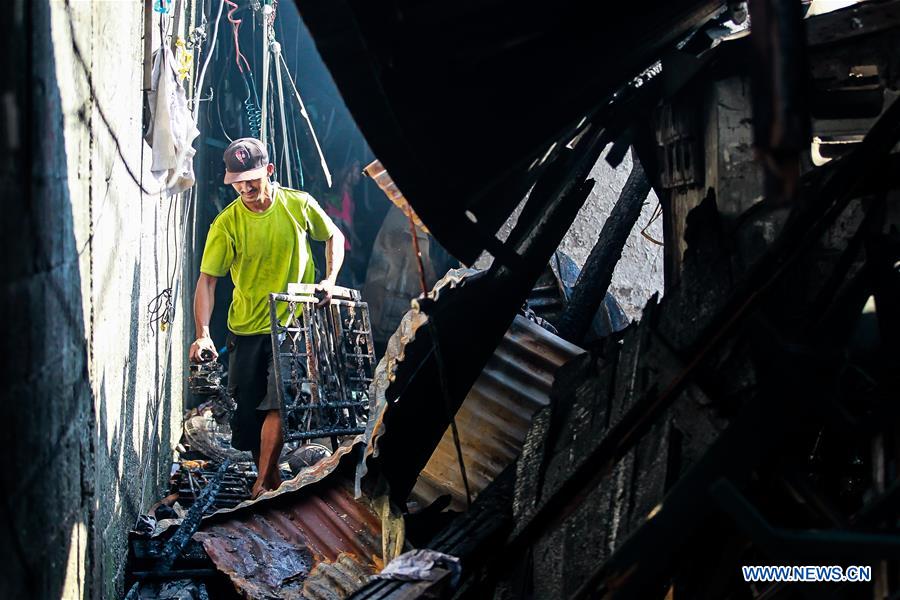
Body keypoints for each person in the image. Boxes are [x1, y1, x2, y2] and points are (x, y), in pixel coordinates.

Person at [189, 137, 344, 499]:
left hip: (292, 324)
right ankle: (270, 477)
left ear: (269, 171)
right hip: (245, 329)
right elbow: (207, 281)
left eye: (251, 179)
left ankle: (261, 483)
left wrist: (329, 281)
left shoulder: (297, 205)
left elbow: (333, 235)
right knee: (248, 416)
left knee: (278, 401)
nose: (245, 187)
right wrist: (203, 333)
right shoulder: (227, 224)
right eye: (237, 181)